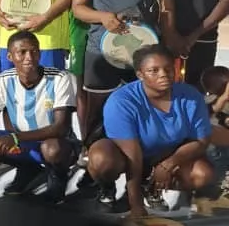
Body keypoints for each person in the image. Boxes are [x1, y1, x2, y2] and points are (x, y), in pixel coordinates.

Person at [71, 0, 177, 152]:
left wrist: (169, 40)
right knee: (97, 111)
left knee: (145, 108)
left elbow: (167, 9)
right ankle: (94, 161)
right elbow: (78, 9)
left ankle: (143, 167)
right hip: (100, 51)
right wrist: (103, 17)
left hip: (145, 52)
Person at [87, 45, 215, 217]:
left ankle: (152, 187)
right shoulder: (121, 101)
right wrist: (136, 205)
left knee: (202, 174)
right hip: (125, 155)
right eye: (153, 70)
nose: (163, 74)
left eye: (168, 69)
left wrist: (168, 164)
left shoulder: (191, 96)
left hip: (166, 153)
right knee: (102, 160)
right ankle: (107, 190)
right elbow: (132, 154)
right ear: (140, 75)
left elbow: (201, 141)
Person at [0, 31, 78, 204]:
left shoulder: (59, 78)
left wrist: (14, 137)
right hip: (20, 142)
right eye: (22, 52)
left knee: (52, 149)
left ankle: (58, 176)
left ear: (39, 53)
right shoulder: (5, 79)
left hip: (55, 143)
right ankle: (28, 169)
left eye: (34, 51)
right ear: (10, 56)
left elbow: (61, 127)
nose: (29, 57)